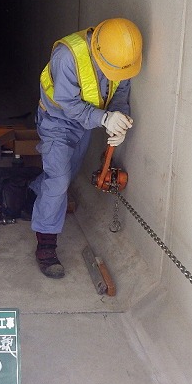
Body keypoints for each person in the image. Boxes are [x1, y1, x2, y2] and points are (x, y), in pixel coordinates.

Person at [30, 18, 143, 278]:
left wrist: (119, 123)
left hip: (86, 123)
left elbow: (120, 95)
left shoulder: (121, 56)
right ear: (98, 51)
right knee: (59, 181)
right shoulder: (67, 57)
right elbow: (68, 104)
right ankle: (46, 244)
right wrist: (104, 119)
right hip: (57, 120)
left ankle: (36, 193)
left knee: (66, 174)